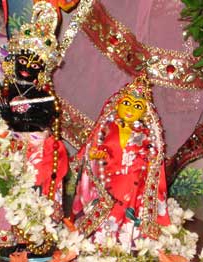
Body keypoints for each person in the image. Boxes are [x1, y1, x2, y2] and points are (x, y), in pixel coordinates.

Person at [0, 1, 68, 251]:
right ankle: (7, 238)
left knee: (36, 192)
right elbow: (2, 115)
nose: (28, 68)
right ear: (15, 61)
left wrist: (24, 121)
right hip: (11, 150)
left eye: (35, 64)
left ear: (42, 69)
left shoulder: (45, 94)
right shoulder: (7, 90)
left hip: (37, 152)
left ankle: (37, 237)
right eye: (24, 61)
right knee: (7, 191)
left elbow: (46, 118)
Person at [72, 75, 170, 247]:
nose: (130, 108)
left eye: (137, 106)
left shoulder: (147, 134)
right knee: (108, 214)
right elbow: (96, 148)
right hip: (109, 181)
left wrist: (149, 161)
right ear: (117, 104)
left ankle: (127, 246)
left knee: (129, 215)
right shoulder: (107, 127)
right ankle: (102, 244)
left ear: (145, 111)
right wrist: (95, 155)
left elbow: (153, 159)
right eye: (126, 103)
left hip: (134, 184)